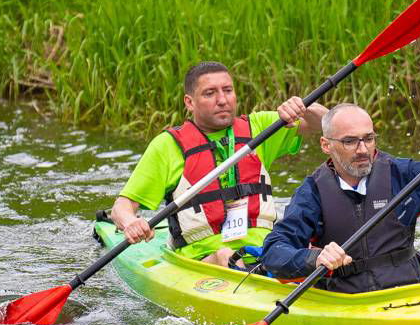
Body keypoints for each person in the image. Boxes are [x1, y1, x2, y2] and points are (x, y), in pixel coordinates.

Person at [261, 103, 420, 293]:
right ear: (326, 145)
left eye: (369, 138)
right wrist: (314, 258)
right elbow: (274, 252)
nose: (363, 149)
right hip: (348, 298)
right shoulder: (312, 193)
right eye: (350, 141)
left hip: (411, 289)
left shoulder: (401, 174)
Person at [111, 61, 326, 267]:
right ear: (189, 102)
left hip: (266, 251)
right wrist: (131, 223)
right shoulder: (168, 145)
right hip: (202, 260)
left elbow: (327, 126)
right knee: (227, 256)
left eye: (228, 90)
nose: (222, 100)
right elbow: (122, 208)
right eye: (210, 93)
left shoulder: (260, 127)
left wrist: (305, 107)